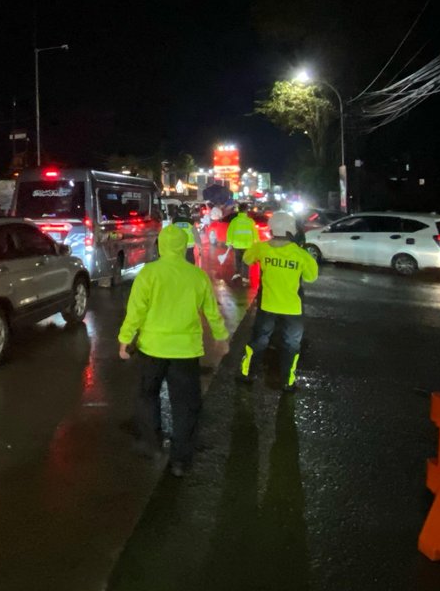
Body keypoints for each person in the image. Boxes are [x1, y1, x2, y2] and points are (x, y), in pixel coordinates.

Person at [118, 225, 230, 478]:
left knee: (148, 396)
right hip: (186, 351)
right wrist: (221, 338)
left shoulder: (149, 274)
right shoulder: (196, 276)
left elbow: (135, 311)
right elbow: (212, 311)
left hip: (152, 348)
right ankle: (181, 460)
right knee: (186, 405)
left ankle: (152, 445)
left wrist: (125, 340)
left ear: (160, 246)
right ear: (183, 246)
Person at [240, 211, 319, 391]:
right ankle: (288, 382)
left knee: (259, 340)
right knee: (291, 344)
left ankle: (247, 374)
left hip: (267, 304)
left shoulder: (262, 248)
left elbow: (246, 258)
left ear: (271, 229)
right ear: (292, 230)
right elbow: (311, 276)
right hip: (292, 308)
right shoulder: (300, 254)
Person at [226, 202, 259, 285]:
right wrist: (257, 243)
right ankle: (245, 278)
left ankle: (238, 273)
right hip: (247, 245)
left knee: (237, 259)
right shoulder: (250, 221)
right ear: (246, 211)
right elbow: (254, 232)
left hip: (237, 244)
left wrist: (229, 243)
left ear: (239, 210)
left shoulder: (235, 221)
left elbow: (230, 232)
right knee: (246, 261)